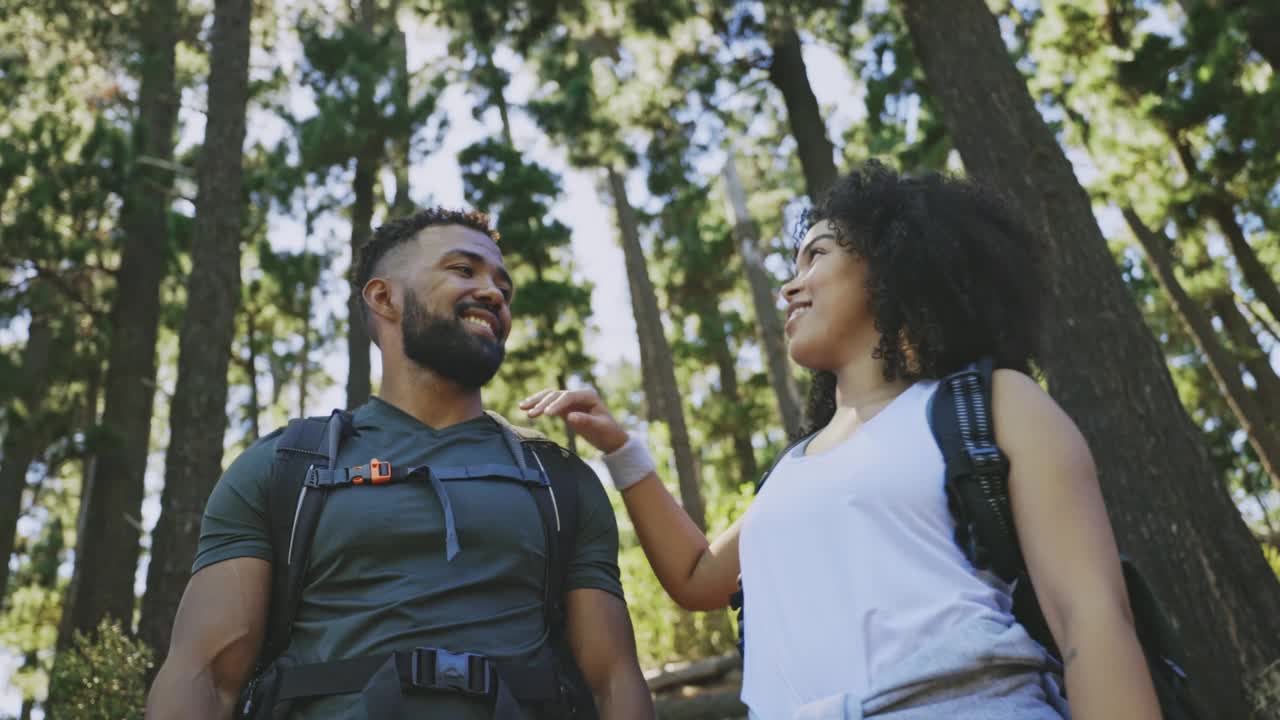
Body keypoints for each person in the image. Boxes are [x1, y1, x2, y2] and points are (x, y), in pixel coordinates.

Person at [521, 162, 1162, 719]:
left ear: (895, 264)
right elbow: (697, 579)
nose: (790, 284)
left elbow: (1092, 618)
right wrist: (621, 449)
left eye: (817, 255)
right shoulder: (795, 468)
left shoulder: (992, 403)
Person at [147, 208, 653, 719]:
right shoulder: (282, 467)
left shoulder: (560, 480)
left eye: (503, 285)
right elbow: (205, 677)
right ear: (384, 297)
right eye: (463, 270)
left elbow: (613, 681)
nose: (495, 293)